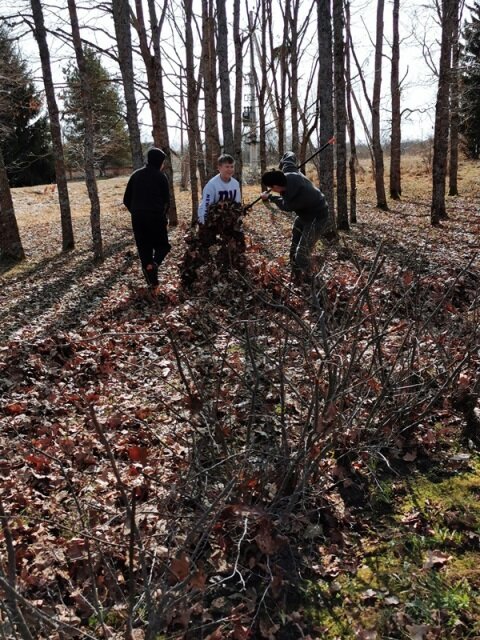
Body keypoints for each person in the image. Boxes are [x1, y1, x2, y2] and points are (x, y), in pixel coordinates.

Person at [260, 151, 329, 280]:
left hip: (317, 218)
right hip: (304, 215)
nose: (271, 189)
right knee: (294, 248)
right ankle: (296, 274)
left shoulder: (294, 199)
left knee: (301, 255)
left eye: (271, 188)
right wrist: (282, 164)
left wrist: (269, 197)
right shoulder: (289, 171)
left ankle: (311, 281)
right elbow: (289, 155)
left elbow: (285, 205)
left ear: (276, 186)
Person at [123, 147, 171, 293]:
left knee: (144, 251)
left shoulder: (136, 175)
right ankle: (155, 264)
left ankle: (153, 285)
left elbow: (126, 199)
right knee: (163, 246)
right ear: (160, 162)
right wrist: (163, 217)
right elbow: (166, 201)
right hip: (156, 217)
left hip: (138, 219)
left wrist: (136, 212)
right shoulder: (161, 177)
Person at [197, 153, 241, 225]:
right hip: (211, 219)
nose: (230, 169)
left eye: (232, 167)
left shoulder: (235, 184)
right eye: (227, 167)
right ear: (219, 168)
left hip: (228, 220)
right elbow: (206, 206)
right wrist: (205, 224)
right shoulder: (212, 185)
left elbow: (237, 204)